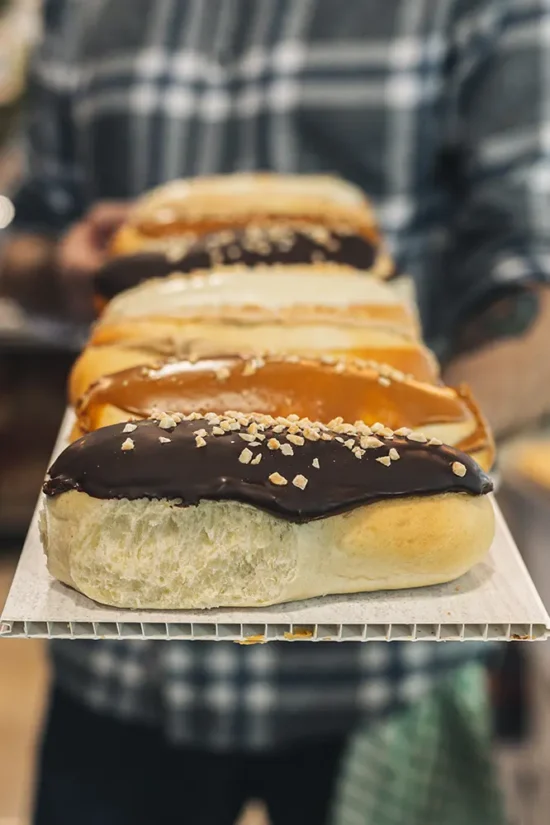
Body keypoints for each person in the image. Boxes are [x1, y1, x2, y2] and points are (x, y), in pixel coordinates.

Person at [3, 1, 550, 823]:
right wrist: (63, 266)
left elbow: (528, 255)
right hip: (118, 668)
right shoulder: (82, 9)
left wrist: (425, 440)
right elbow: (31, 229)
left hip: (390, 679)